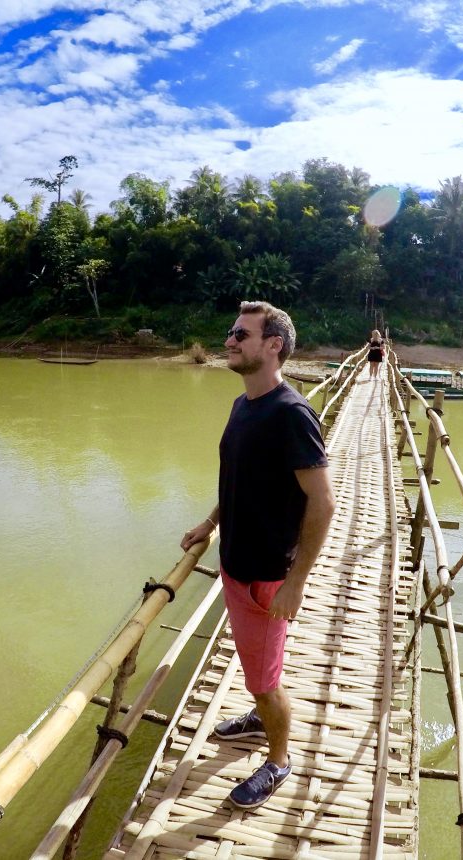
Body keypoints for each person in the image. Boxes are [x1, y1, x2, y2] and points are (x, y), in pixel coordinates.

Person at [181, 300, 336, 811]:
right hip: (235, 567)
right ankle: (259, 712)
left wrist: (295, 582)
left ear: (274, 346)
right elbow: (239, 483)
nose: (229, 340)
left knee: (265, 683)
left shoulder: (291, 414)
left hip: (267, 580)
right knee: (258, 669)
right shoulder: (242, 405)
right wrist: (210, 522)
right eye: (230, 332)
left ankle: (278, 759)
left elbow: (323, 501)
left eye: (241, 334)